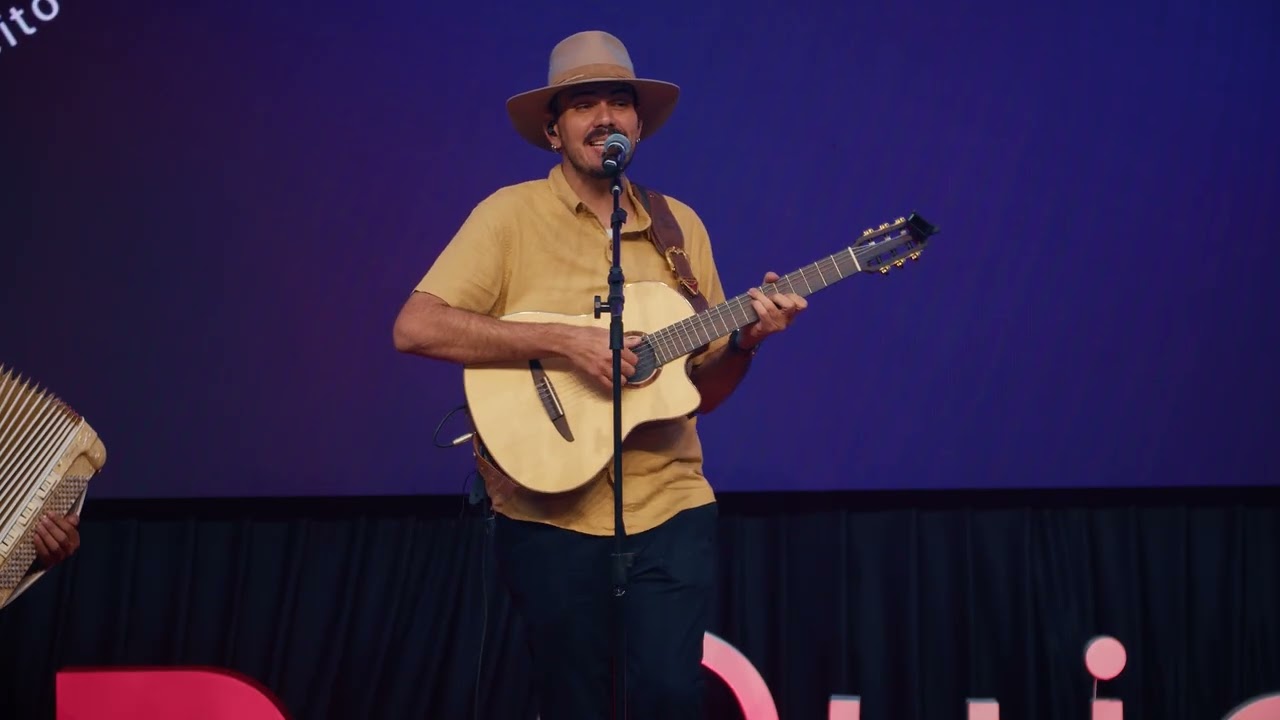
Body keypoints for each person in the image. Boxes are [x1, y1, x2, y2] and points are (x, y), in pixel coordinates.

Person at [393, 30, 806, 719]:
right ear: (554, 130)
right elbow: (416, 326)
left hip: (669, 503)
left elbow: (696, 395)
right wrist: (566, 342)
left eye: (620, 102)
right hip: (547, 509)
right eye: (584, 104)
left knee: (670, 697)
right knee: (571, 700)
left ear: (639, 124)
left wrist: (746, 343)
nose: (605, 117)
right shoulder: (508, 216)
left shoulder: (681, 229)